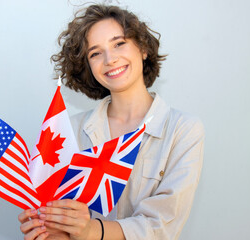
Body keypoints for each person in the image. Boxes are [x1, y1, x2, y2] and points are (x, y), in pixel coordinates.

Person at [18, 4, 204, 240]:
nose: (110, 59)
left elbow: (162, 226)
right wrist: (48, 229)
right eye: (95, 53)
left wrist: (90, 230)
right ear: (88, 66)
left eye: (119, 43)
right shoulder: (68, 131)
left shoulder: (183, 129)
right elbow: (55, 214)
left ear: (143, 49)